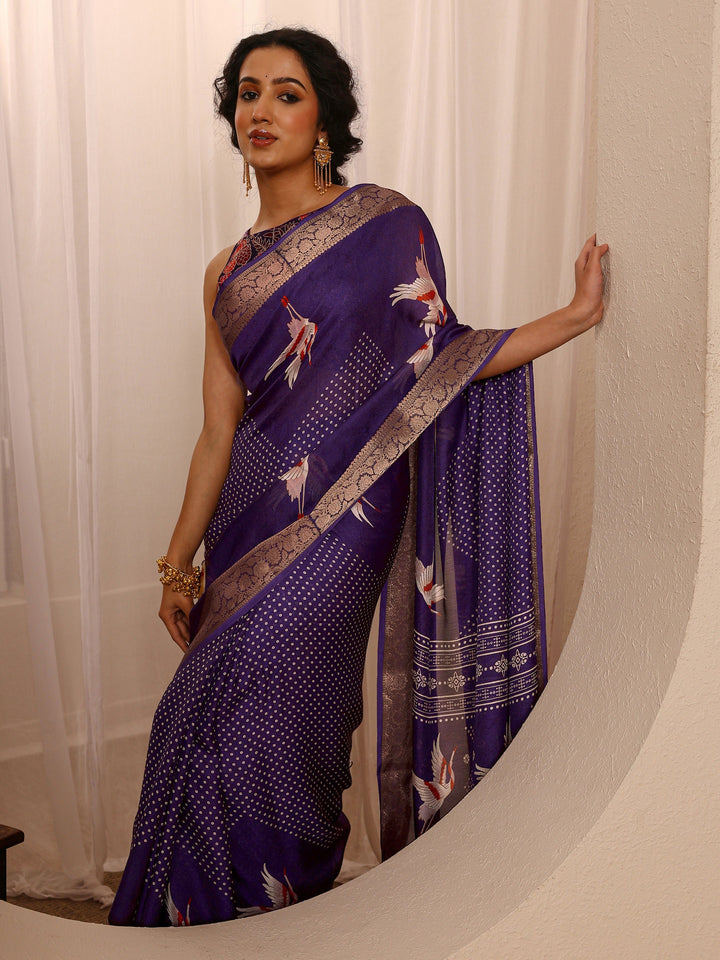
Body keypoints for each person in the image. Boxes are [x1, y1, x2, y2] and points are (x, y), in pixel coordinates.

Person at [108, 27, 607, 927]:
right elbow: (217, 432)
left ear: (325, 121)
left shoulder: (384, 221)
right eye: (248, 93)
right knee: (197, 714)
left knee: (281, 704)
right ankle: (214, 929)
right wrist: (178, 565)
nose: (262, 110)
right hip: (246, 517)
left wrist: (570, 318)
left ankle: (277, 914)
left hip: (349, 515)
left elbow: (441, 357)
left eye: (287, 93)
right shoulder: (225, 273)